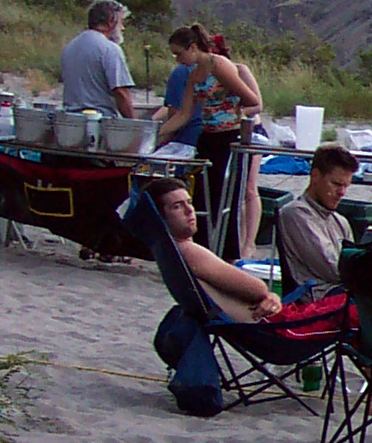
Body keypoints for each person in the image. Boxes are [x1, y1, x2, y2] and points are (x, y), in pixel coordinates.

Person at [159, 24, 265, 254]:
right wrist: (158, 133)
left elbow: (251, 100)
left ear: (193, 47)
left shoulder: (219, 65)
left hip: (229, 137)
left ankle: (228, 253)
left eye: (179, 54)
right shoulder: (194, 75)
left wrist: (232, 114)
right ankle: (202, 250)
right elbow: (185, 113)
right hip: (207, 137)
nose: (178, 60)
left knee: (225, 198)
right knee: (202, 198)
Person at [147, 177, 280, 322]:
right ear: (161, 217)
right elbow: (257, 289)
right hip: (266, 328)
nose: (189, 211)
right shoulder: (187, 251)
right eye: (177, 206)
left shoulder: (168, 251)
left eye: (189, 202)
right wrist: (271, 296)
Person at [275, 143, 359, 290]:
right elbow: (333, 270)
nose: (342, 192)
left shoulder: (340, 221)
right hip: (318, 299)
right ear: (315, 176)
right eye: (336, 184)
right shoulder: (295, 214)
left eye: (346, 186)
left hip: (345, 293)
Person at [60, 0, 136, 117]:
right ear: (111, 21)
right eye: (121, 22)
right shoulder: (109, 49)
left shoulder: (70, 46)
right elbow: (120, 92)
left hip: (71, 119)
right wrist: (133, 124)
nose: (122, 28)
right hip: (99, 121)